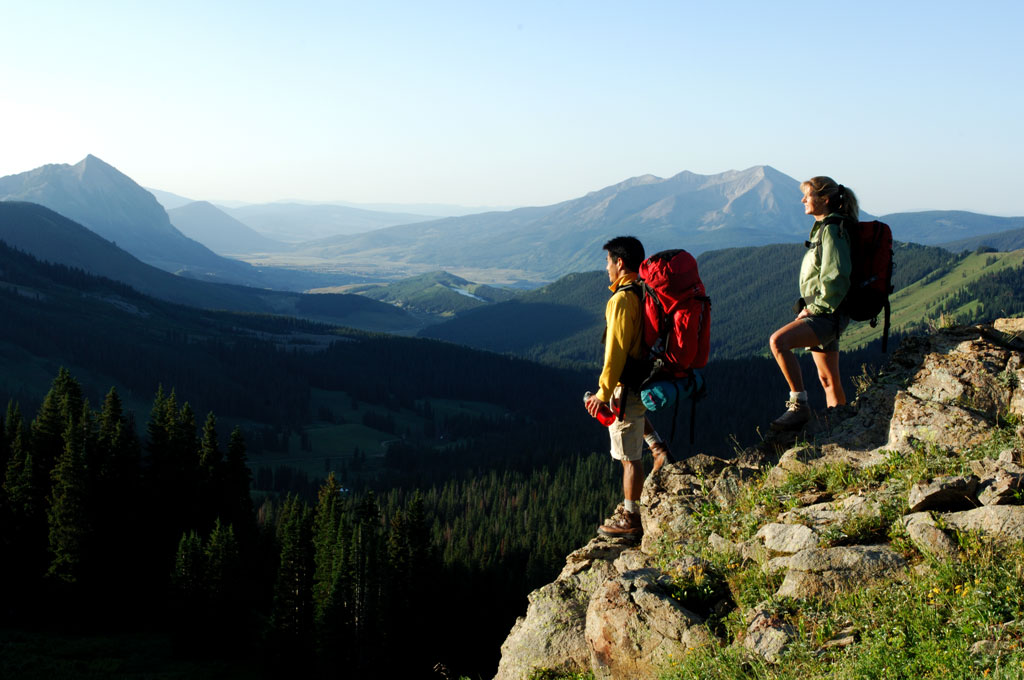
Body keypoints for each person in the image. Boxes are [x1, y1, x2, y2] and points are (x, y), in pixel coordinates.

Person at [585, 236, 671, 537]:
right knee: (634, 422)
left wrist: (602, 393)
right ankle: (658, 448)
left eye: (608, 262)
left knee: (628, 458)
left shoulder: (621, 299)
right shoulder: (645, 291)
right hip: (645, 376)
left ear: (620, 263)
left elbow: (616, 352)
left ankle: (631, 517)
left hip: (626, 384)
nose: (606, 268)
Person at [768, 177, 858, 430]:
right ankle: (840, 427)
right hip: (830, 311)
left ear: (824, 199)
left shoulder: (831, 230)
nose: (803, 200)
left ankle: (799, 405)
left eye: (807, 196)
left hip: (826, 313)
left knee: (779, 342)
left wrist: (815, 309)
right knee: (828, 379)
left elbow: (837, 274)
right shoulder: (827, 228)